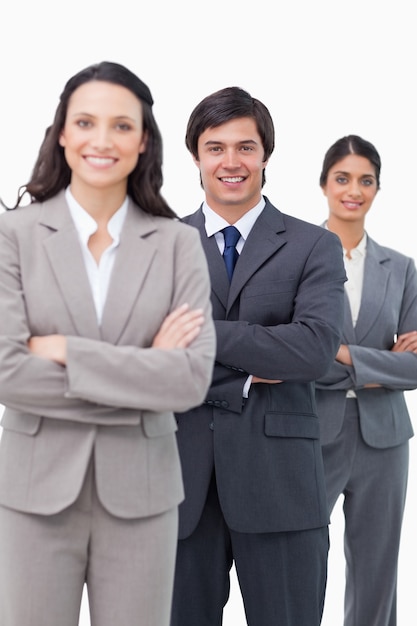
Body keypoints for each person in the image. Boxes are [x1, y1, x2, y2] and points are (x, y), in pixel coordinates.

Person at [0, 61, 216, 626]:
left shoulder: (177, 244)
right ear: (63, 133)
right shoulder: (13, 237)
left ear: (144, 141)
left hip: (143, 495)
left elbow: (190, 379)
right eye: (86, 122)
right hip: (34, 495)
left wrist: (67, 351)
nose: (102, 140)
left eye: (121, 125)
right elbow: (9, 373)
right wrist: (146, 370)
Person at [170, 86, 347, 626]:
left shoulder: (312, 245)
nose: (231, 162)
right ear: (196, 156)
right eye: (215, 147)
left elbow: (315, 351)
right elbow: (145, 361)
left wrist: (199, 334)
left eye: (245, 147)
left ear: (265, 155)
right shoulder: (158, 246)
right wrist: (250, 373)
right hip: (179, 491)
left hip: (282, 489)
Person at [315, 134, 417, 626]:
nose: (353, 190)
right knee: (302, 562)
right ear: (324, 184)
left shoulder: (401, 268)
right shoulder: (299, 256)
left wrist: (340, 354)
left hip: (385, 439)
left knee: (378, 572)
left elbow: (415, 368)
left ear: (377, 189)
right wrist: (381, 363)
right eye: (342, 178)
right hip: (312, 432)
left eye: (365, 180)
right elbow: (300, 356)